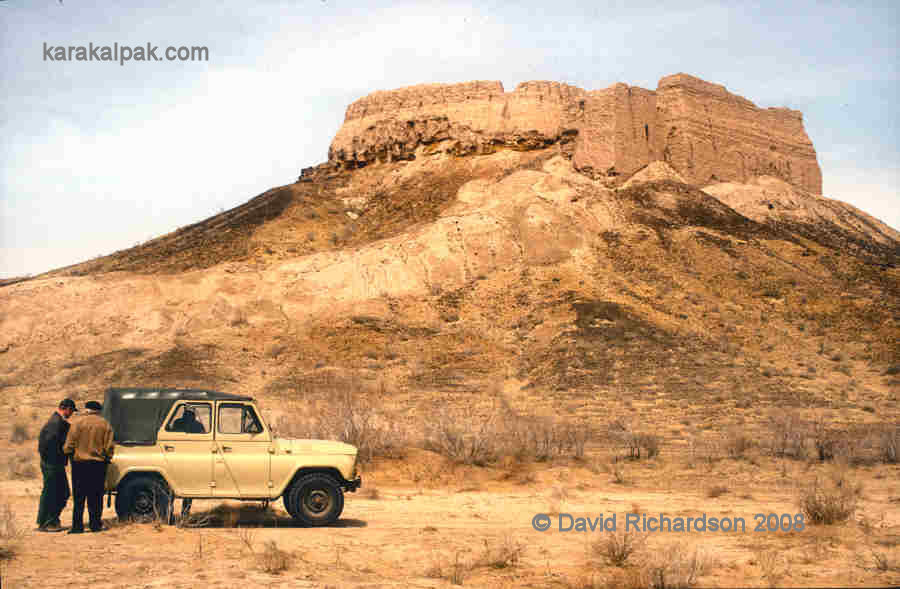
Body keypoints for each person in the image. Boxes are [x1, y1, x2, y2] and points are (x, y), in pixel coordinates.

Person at [63, 400, 114, 533]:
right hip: (98, 465)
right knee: (96, 497)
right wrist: (106, 458)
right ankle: (95, 525)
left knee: (79, 497)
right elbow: (109, 448)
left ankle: (77, 526)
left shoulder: (77, 423)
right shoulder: (105, 424)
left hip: (79, 465)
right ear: (99, 411)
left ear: (87, 410)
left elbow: (68, 446)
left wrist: (70, 454)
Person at [36, 398, 76, 532]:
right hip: (52, 464)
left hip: (52, 463)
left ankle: (46, 521)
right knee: (57, 492)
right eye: (71, 411)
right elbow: (48, 446)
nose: (71, 414)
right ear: (67, 408)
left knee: (52, 491)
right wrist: (61, 456)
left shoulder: (57, 422)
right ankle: (49, 522)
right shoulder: (55, 423)